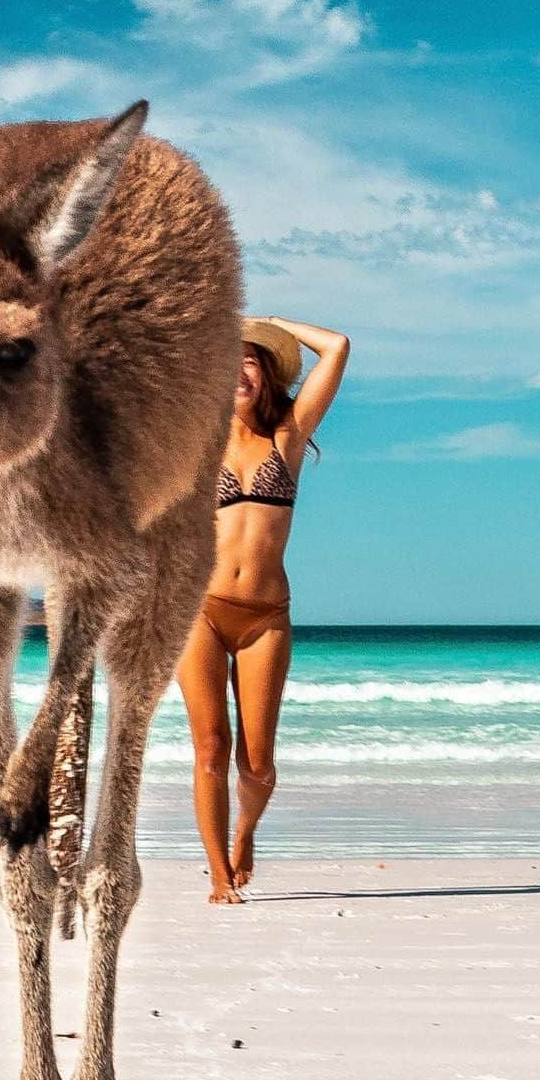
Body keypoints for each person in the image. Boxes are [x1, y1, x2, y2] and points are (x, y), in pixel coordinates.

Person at [177, 316, 350, 903]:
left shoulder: (288, 436)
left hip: (264, 617)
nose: (237, 369)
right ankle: (219, 876)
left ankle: (244, 835)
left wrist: (270, 325)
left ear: (268, 373)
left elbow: (337, 347)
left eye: (250, 359)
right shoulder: (194, 440)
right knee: (210, 747)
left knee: (258, 766)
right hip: (198, 608)